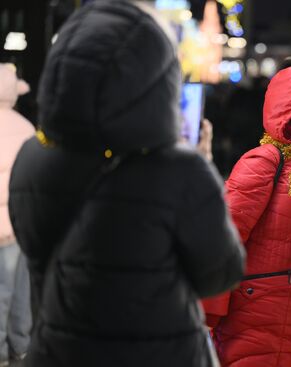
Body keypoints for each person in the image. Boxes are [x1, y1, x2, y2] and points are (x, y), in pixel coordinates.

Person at [8, 1, 245, 366]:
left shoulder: (33, 156)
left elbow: (39, 255)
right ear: (157, 78)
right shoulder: (180, 169)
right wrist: (202, 166)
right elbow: (219, 273)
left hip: (61, 349)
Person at [204, 66, 291, 367]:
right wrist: (206, 315)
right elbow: (222, 238)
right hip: (254, 316)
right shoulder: (266, 160)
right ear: (286, 115)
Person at [0, 64, 33, 367]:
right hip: (16, 224)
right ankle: (20, 347)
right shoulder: (25, 129)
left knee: (1, 292)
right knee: (19, 289)